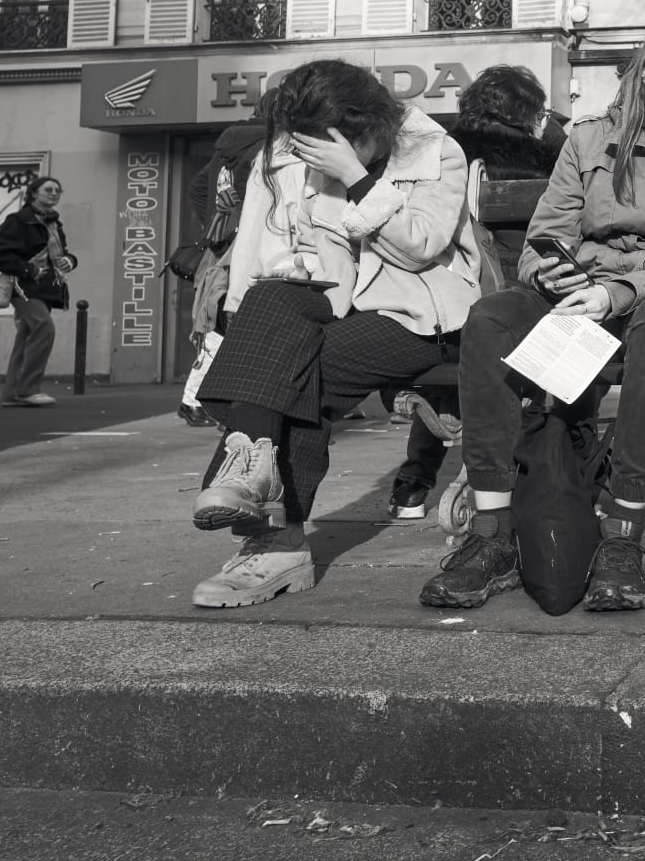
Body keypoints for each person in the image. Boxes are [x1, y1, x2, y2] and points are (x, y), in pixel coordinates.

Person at [419, 14, 645, 613]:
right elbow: (544, 238)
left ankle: (622, 534)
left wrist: (617, 294)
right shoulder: (590, 140)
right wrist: (550, 271)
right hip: (578, 290)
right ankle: (490, 536)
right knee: (490, 318)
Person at [187, 60, 485, 608]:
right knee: (269, 298)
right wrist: (294, 267)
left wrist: (356, 176)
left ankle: (276, 540)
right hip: (340, 302)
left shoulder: (434, 150)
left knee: (303, 373)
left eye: (332, 146)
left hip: (420, 313)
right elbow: (297, 243)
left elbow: (420, 248)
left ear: (370, 126)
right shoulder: (303, 155)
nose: (316, 157)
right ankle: (250, 468)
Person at [387, 65, 567, 520]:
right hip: (534, 293)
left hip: (463, 291)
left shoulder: (446, 150)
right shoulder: (551, 158)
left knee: (459, 361)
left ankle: (414, 482)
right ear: (529, 113)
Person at [178, 97, 273, 428]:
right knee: (238, 324)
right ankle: (212, 402)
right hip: (247, 248)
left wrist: (215, 225)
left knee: (220, 322)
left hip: (221, 249)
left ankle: (198, 401)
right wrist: (241, 225)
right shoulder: (269, 146)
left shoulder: (228, 145)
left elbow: (197, 188)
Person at [0, 174, 77, 408]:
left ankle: (11, 394)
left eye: (57, 190)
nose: (54, 193)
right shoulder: (19, 220)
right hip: (23, 286)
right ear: (34, 193)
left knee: (26, 337)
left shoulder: (54, 223)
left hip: (46, 288)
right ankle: (28, 390)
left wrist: (70, 260)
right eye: (48, 189)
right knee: (44, 327)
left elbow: (62, 253)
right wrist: (28, 269)